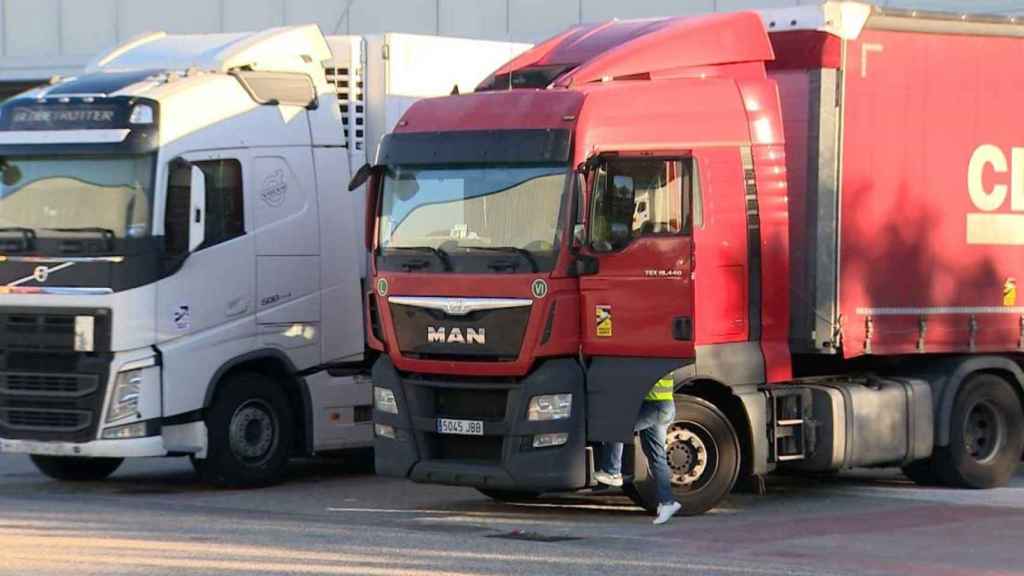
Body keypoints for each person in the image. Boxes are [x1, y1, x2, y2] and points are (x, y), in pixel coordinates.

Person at [593, 376, 682, 525]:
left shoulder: (652, 357)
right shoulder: (664, 356)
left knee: (617, 428)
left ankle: (612, 471)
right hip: (664, 406)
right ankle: (667, 502)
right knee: (656, 457)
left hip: (655, 407)